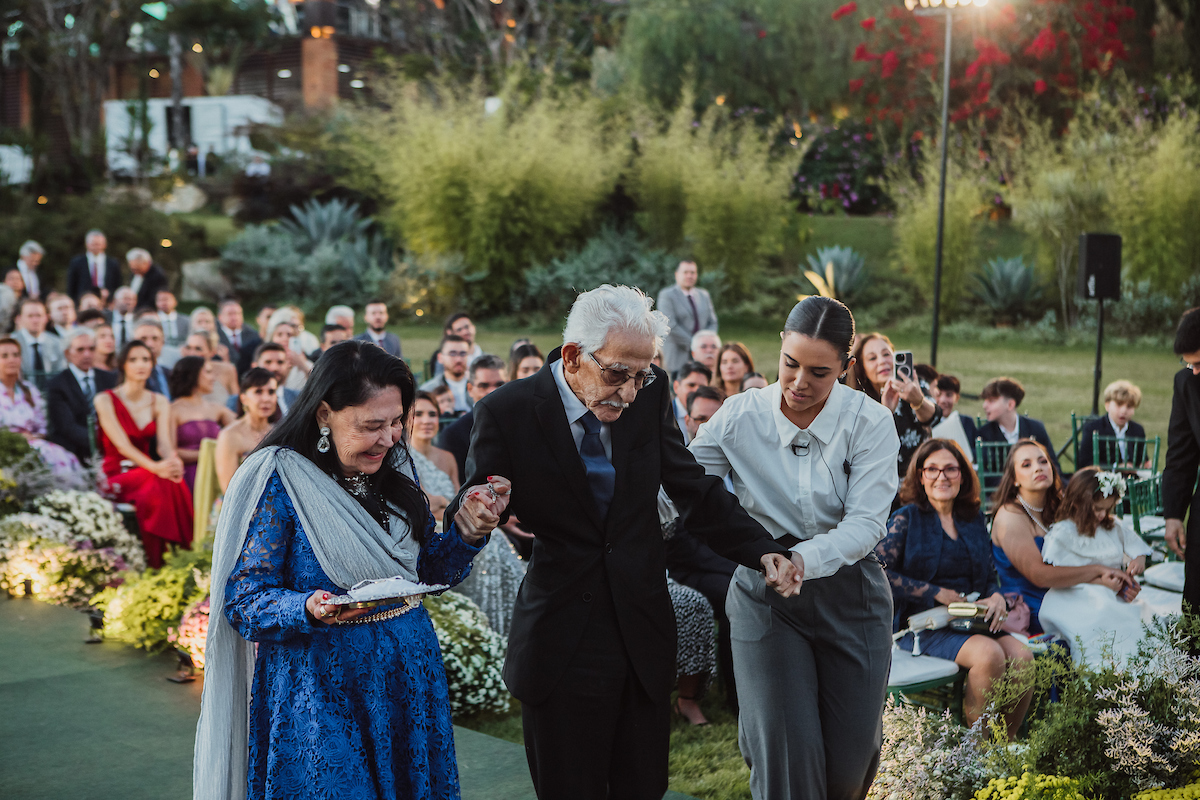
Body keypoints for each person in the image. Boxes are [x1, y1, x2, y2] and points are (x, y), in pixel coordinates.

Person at [449, 284, 801, 800]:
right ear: (573, 356)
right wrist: (477, 512)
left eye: (643, 375)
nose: (632, 391)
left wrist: (761, 547)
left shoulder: (650, 393)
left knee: (643, 788)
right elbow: (480, 493)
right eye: (618, 374)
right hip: (560, 641)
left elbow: (690, 486)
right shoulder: (506, 410)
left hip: (641, 633)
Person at [193, 339, 506, 800]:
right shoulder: (280, 479)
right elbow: (243, 600)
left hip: (407, 676)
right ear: (324, 414)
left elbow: (424, 573)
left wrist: (467, 533)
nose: (390, 438)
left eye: (397, 421)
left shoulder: (393, 473)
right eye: (372, 425)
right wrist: (305, 606)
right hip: (319, 687)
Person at [688, 296, 898, 800]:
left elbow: (867, 522)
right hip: (765, 598)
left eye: (819, 372)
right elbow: (684, 486)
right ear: (780, 346)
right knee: (786, 764)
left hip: (853, 594)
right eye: (791, 364)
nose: (800, 382)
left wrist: (804, 560)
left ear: (847, 369)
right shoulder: (739, 416)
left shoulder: (870, 422)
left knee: (848, 773)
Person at [878, 439, 1033, 736]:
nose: (942, 476)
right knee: (989, 655)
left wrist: (997, 596)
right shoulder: (906, 519)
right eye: (932, 469)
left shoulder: (972, 519)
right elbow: (878, 571)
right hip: (924, 625)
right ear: (920, 476)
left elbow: (988, 573)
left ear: (962, 475)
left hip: (971, 619)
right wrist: (934, 592)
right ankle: (976, 753)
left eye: (950, 469)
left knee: (1023, 658)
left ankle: (1004, 747)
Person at [990, 439, 1135, 633]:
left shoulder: (1060, 507)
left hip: (1072, 592)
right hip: (1035, 606)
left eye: (1043, 461)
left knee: (1129, 614)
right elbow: (1039, 576)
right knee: (1107, 623)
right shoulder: (1010, 517)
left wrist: (1118, 581)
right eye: (1027, 464)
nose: (1038, 468)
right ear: (1014, 478)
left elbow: (1091, 548)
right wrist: (1098, 571)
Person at [664, 383, 739, 716]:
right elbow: (682, 543)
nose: (706, 426)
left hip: (733, 560)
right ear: (688, 421)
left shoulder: (741, 463)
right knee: (735, 595)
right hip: (688, 569)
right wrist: (739, 566)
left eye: (714, 419)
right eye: (699, 419)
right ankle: (739, 699)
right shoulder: (678, 467)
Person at [93, 341, 193, 568]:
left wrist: (172, 461)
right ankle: (169, 557)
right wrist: (157, 467)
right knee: (161, 479)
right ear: (123, 365)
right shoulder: (105, 399)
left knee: (172, 478)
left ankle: (171, 558)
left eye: (146, 360)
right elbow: (122, 446)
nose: (141, 365)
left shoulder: (159, 401)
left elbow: (164, 446)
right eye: (133, 359)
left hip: (146, 470)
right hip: (116, 472)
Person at [849, 331, 940, 479]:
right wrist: (885, 412)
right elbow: (861, 448)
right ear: (862, 368)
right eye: (872, 358)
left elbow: (935, 418)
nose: (882, 361)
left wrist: (918, 401)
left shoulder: (914, 383)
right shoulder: (857, 401)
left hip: (919, 478)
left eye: (886, 354)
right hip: (879, 479)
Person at [1042, 467, 1152, 575]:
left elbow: (1135, 544)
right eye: (1098, 509)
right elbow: (1054, 571)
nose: (1103, 515)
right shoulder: (1064, 531)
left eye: (1107, 509)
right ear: (1077, 503)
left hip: (1111, 589)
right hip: (1078, 589)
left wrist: (1139, 558)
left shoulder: (1111, 526)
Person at [0, 337, 82, 476]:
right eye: (4, 356)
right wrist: (17, 438)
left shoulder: (29, 390)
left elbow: (42, 425)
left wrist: (33, 437)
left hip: (33, 443)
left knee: (62, 457)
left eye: (16, 355)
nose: (11, 360)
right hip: (5, 446)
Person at [1166, 307, 1200, 613]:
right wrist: (1173, 514)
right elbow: (1180, 452)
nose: (1195, 371)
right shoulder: (1187, 383)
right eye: (1188, 364)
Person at [45, 327, 118, 464]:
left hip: (111, 446)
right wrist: (100, 441)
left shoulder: (110, 379)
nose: (87, 355)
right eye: (80, 350)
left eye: (91, 349)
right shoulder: (57, 384)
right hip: (74, 452)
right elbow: (66, 426)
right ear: (67, 353)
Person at [170, 357, 237, 491]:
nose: (213, 378)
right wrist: (207, 454)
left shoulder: (216, 409)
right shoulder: (173, 410)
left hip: (216, 475)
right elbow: (171, 451)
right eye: (207, 372)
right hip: (188, 478)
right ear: (192, 374)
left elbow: (240, 429)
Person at [436, 354, 507, 481]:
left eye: (499, 384)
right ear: (470, 389)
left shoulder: (524, 424)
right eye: (484, 386)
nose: (493, 391)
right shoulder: (453, 434)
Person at [214, 369, 280, 492]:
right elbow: (229, 489)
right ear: (243, 398)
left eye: (271, 392)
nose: (266, 398)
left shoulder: (279, 433)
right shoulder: (230, 435)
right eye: (258, 392)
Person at [976, 377, 1057, 471]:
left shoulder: (1035, 428)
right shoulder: (985, 433)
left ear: (1010, 405)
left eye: (991, 401)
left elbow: (1053, 464)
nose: (984, 406)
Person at [657, 260, 719, 374]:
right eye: (685, 272)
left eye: (693, 272)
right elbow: (671, 326)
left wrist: (707, 343)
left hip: (702, 357)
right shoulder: (666, 295)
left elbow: (712, 322)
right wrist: (697, 344)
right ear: (677, 274)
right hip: (677, 355)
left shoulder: (704, 295)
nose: (689, 276)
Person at [406, 391, 460, 519]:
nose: (426, 421)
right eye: (418, 414)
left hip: (458, 523)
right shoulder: (402, 458)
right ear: (405, 419)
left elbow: (460, 504)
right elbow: (422, 506)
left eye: (432, 414)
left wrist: (440, 503)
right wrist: (444, 501)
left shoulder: (448, 457)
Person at [1077, 380, 1148, 470]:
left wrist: (1143, 465)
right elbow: (1085, 463)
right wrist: (1116, 467)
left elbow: (1142, 459)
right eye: (1119, 405)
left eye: (1129, 406)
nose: (1123, 411)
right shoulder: (1093, 429)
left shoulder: (1137, 430)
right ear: (1107, 405)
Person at [12, 298, 66, 381]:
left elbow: (61, 372)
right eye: (30, 316)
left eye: (39, 315)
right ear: (19, 318)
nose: (35, 320)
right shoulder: (12, 343)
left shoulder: (57, 343)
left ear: (47, 318)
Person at [181, 332, 239, 407]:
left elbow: (237, 402)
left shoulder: (227, 370)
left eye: (198, 349)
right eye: (188, 348)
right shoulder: (181, 373)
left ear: (212, 352)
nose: (192, 353)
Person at [418, 335, 472, 413]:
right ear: (440, 358)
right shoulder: (428, 390)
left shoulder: (479, 386)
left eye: (463, 354)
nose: (458, 359)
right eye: (452, 354)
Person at [931, 374, 978, 462]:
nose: (943, 400)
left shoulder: (966, 422)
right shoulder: (928, 423)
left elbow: (976, 451)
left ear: (957, 398)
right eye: (939, 394)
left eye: (949, 395)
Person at [67, 230, 122, 305]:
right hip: (83, 302)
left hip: (107, 302)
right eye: (93, 244)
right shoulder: (77, 262)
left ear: (104, 245)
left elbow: (117, 284)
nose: (96, 247)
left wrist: (111, 297)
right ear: (87, 244)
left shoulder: (113, 263)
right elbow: (71, 285)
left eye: (98, 244)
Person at [266, 317, 313, 391]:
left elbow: (318, 383)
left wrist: (302, 364)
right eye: (279, 334)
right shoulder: (265, 360)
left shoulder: (305, 363)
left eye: (289, 335)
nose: (285, 338)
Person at [217, 299, 263, 376]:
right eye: (230, 314)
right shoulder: (216, 337)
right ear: (220, 317)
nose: (234, 317)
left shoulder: (254, 335)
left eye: (238, 313)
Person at [670, 361, 712, 445]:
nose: (696, 391)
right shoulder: (663, 414)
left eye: (702, 387)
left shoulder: (714, 415)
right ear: (676, 387)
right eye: (691, 385)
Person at [134, 320, 175, 398]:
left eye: (155, 338)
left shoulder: (170, 374)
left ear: (162, 342)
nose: (150, 344)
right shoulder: (123, 375)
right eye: (143, 339)